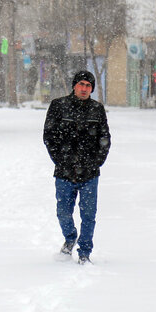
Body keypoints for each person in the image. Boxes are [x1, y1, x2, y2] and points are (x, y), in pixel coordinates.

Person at [43, 71, 111, 264]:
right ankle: (70, 236)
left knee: (88, 214)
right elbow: (49, 136)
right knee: (63, 211)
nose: (84, 89)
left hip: (90, 173)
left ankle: (85, 252)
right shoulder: (58, 106)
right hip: (64, 171)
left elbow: (104, 139)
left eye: (88, 86)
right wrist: (60, 160)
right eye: (81, 84)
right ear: (74, 85)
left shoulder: (97, 110)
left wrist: (96, 162)